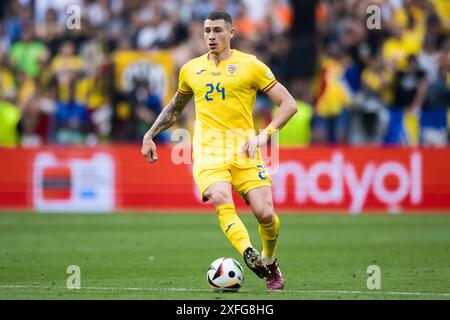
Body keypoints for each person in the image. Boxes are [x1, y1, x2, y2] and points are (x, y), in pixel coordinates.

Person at [141, 11, 297, 290]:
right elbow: (175, 107)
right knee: (219, 196)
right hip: (207, 152)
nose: (211, 36)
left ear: (231, 33)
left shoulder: (251, 66)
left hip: (245, 151)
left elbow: (288, 104)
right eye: (207, 31)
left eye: (217, 30)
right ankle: (247, 252)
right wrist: (150, 134)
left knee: (265, 214)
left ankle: (270, 260)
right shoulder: (191, 69)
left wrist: (265, 136)